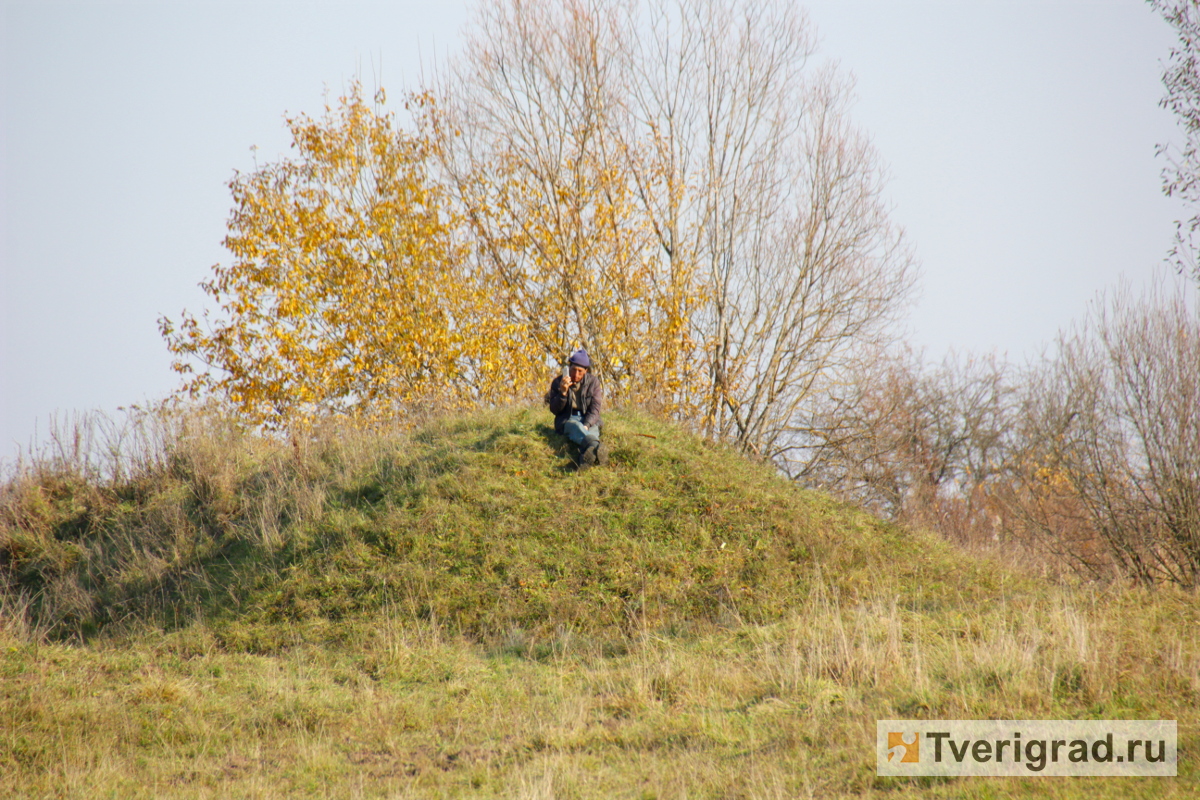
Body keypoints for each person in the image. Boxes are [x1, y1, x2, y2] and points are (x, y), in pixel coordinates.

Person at [546, 349, 609, 468]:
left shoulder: (593, 383)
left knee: (591, 431)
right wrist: (563, 393)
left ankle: (584, 460)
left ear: (586, 371)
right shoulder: (558, 382)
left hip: (588, 418)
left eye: (580, 371)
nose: (576, 374)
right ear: (569, 368)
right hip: (568, 418)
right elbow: (555, 410)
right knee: (576, 427)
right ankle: (597, 449)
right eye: (573, 370)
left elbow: (595, 409)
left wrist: (587, 424)